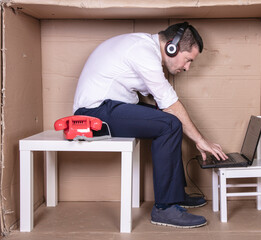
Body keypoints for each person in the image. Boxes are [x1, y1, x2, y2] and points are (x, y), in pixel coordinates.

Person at [73, 22, 228, 228]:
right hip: (93, 114)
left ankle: (175, 194)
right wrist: (200, 140)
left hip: (109, 107)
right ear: (172, 47)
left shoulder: (145, 50)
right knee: (170, 124)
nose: (187, 67)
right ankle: (165, 208)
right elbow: (170, 104)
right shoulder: (143, 51)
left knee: (169, 121)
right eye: (188, 59)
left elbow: (162, 103)